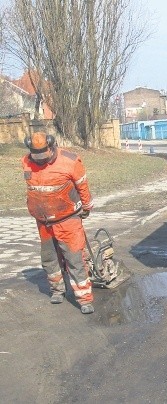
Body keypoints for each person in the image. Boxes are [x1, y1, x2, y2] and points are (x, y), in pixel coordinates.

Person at [22, 132, 95, 314]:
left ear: (51, 146)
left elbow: (82, 186)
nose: (39, 160)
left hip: (67, 219)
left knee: (75, 259)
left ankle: (84, 298)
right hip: (43, 221)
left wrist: (86, 207)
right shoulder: (26, 161)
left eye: (43, 156)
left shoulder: (70, 161)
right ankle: (57, 290)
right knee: (49, 258)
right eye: (35, 156)